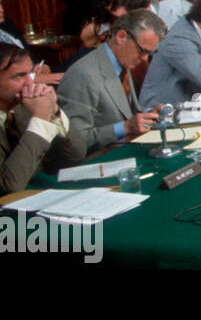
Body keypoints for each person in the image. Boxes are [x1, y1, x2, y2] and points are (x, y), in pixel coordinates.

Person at [57, 10, 167, 154]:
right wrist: (126, 127)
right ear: (121, 36)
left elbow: (124, 114)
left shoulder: (122, 62)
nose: (145, 59)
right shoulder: (83, 75)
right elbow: (74, 141)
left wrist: (148, 117)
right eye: (142, 51)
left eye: (149, 53)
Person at [0, 45, 87, 194]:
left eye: (29, 75)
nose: (30, 84)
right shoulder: (34, 110)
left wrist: (53, 112)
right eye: (19, 76)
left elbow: (76, 154)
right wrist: (40, 118)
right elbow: (9, 186)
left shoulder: (24, 106)